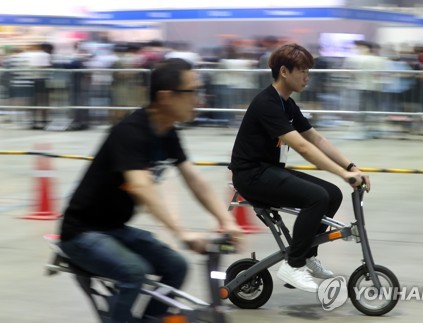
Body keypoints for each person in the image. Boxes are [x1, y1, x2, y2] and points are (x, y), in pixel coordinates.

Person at [58, 58, 242, 323]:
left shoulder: (167, 131)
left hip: (114, 229)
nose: (199, 100)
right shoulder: (130, 131)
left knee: (176, 266)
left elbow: (194, 180)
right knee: (134, 272)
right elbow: (141, 186)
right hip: (81, 233)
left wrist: (226, 220)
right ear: (166, 96)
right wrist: (180, 231)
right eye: (192, 92)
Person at [228, 43, 370, 293]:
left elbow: (316, 139)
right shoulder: (267, 103)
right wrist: (344, 174)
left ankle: (305, 256)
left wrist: (350, 166)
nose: (307, 77)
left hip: (268, 170)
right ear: (284, 71)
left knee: (333, 194)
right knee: (316, 197)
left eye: (308, 71)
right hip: (251, 175)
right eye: (302, 71)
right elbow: (303, 148)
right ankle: (294, 265)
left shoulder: (287, 104)